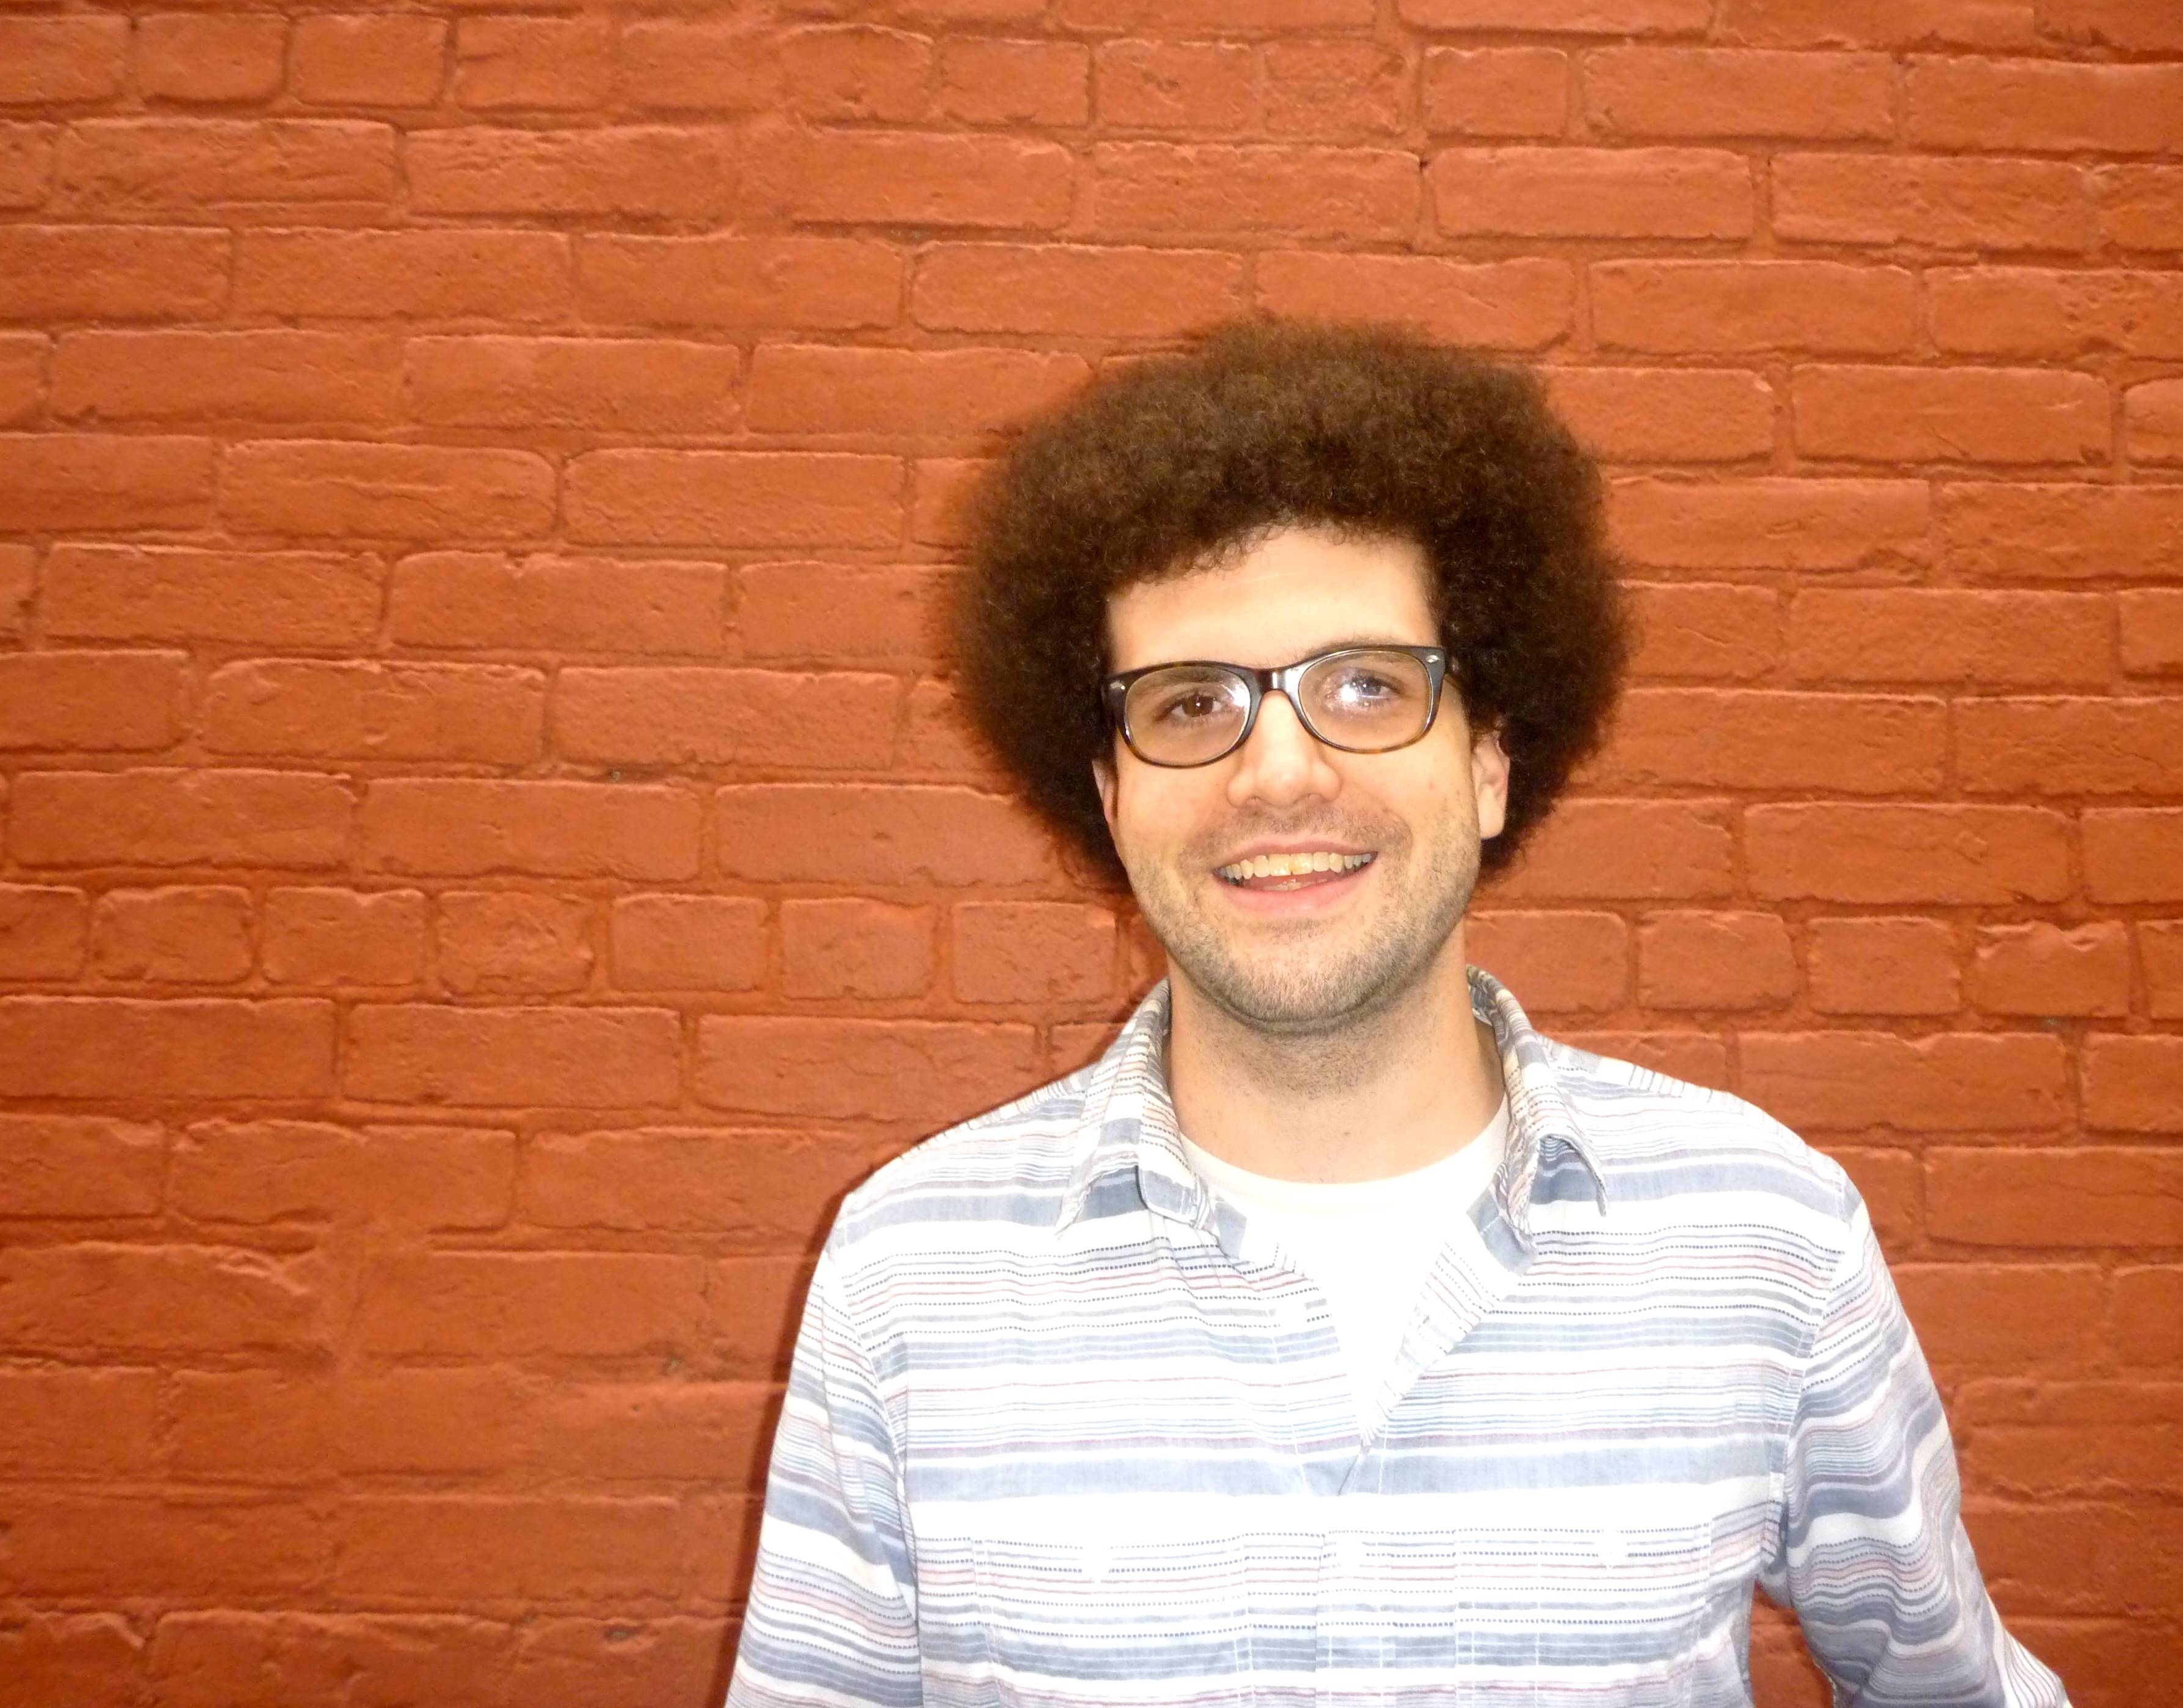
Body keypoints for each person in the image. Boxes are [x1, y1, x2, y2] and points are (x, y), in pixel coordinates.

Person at [727, 320, 2068, 1707]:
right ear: (1113, 801)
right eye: (1189, 705)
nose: (1276, 773)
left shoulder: (1761, 1233)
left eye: (1365, 686)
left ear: (1489, 762)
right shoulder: (908, 1276)